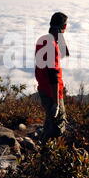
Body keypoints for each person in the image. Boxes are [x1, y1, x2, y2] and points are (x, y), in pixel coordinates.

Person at [35, 12, 70, 142]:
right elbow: (53, 75)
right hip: (52, 91)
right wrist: (56, 102)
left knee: (50, 121)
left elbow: (62, 53)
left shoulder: (42, 40)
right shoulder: (51, 44)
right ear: (64, 27)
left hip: (43, 87)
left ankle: (43, 144)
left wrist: (59, 36)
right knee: (58, 126)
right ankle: (49, 154)